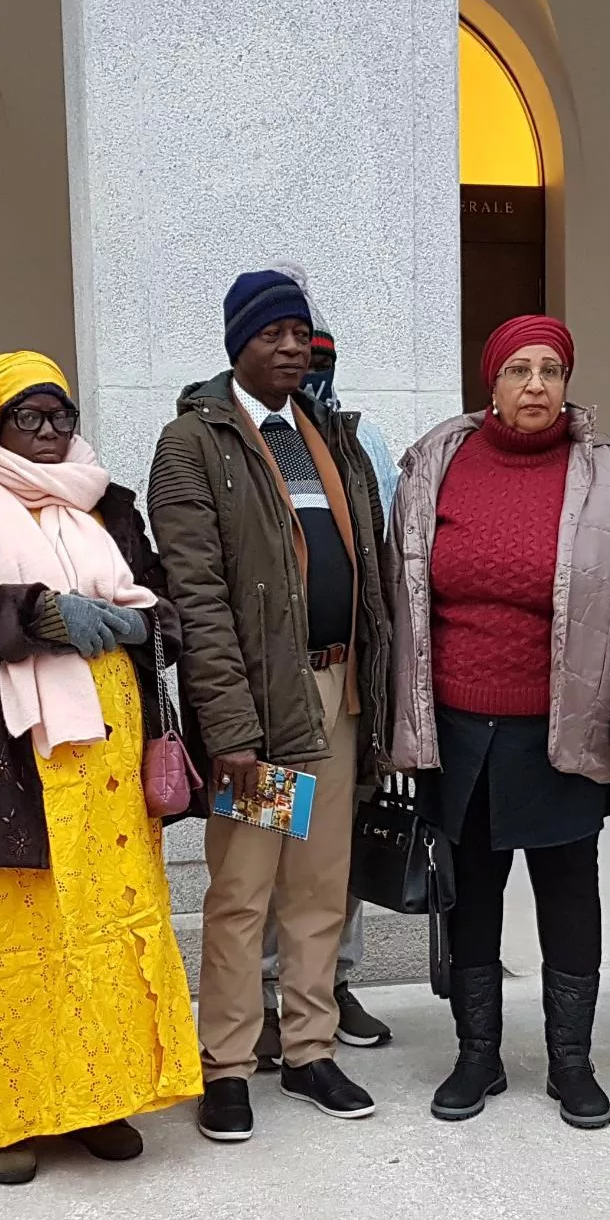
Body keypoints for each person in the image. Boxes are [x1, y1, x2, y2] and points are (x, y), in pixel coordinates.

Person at [0, 341, 203, 1184]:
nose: (47, 430)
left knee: (107, 928)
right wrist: (37, 614)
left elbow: (161, 595)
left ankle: (103, 1098)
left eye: (60, 414)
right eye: (27, 416)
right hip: (15, 759)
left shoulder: (109, 501)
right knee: (19, 936)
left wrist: (142, 622)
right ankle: (16, 1115)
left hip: (110, 754)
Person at [389, 314, 610, 1129]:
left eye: (551, 370)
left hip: (566, 726)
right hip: (458, 726)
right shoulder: (437, 463)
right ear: (493, 380)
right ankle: (477, 1055)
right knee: (472, 893)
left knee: (567, 891)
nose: (536, 387)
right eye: (518, 369)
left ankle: (571, 1062)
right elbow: (399, 596)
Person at [147, 268, 393, 1142]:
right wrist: (231, 728)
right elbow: (197, 596)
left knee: (321, 887)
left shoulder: (330, 435)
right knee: (245, 888)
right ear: (236, 345)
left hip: (339, 696)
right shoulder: (194, 442)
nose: (291, 348)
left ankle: (309, 1046)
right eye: (271, 334)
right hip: (259, 711)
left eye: (301, 334)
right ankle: (226, 1061)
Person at [251, 265, 393, 1066]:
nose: (306, 361)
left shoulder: (352, 441)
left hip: (342, 688)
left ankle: (331, 986)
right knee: (271, 843)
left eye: (315, 347)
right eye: (285, 340)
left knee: (332, 855)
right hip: (275, 696)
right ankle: (266, 1001)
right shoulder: (240, 440)